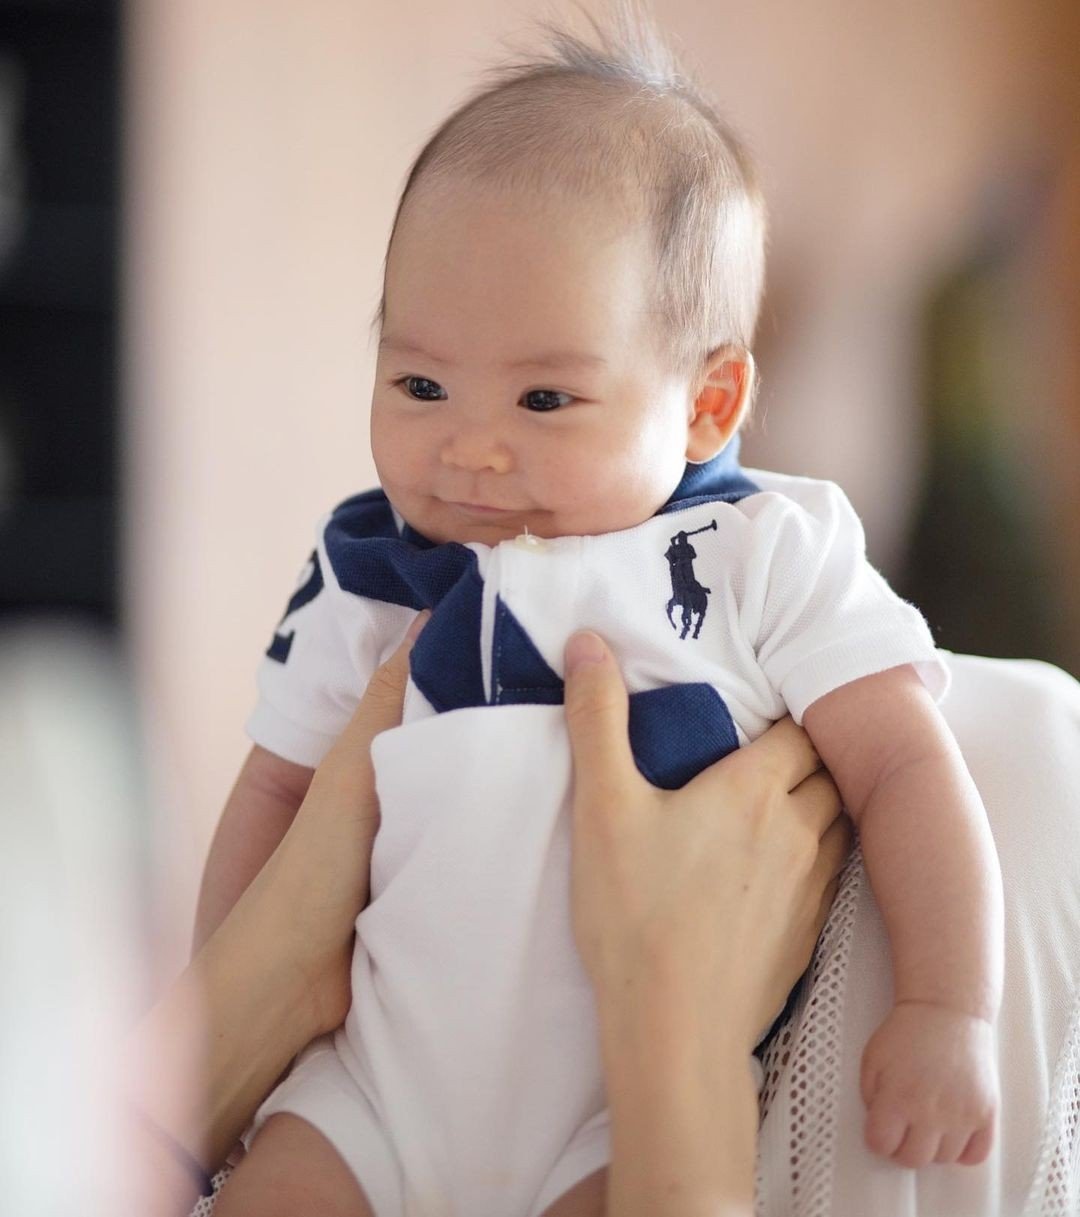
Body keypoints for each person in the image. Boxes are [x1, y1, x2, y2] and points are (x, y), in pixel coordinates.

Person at [200, 10, 1005, 1215]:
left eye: (544, 398)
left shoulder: (758, 551)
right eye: (420, 382)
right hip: (368, 1087)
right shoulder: (372, 564)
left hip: (619, 1110)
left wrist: (952, 1005)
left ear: (706, 404)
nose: (470, 446)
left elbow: (904, 764)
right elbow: (274, 793)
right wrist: (217, 1027)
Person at [124, 623, 852, 1217]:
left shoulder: (768, 540)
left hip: (590, 1116)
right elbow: (278, 773)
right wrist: (684, 1036)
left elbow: (899, 735)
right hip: (385, 1078)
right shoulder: (378, 550)